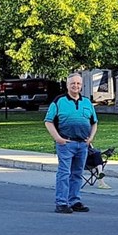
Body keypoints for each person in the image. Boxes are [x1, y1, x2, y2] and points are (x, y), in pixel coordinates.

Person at [43, 74, 96, 213]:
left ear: (82, 85)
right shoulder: (59, 101)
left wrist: (91, 138)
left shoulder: (87, 102)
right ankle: (61, 202)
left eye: (78, 83)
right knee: (64, 173)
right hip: (66, 143)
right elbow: (48, 121)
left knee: (77, 173)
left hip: (82, 144)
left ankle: (74, 201)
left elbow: (94, 122)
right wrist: (58, 138)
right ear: (67, 85)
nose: (76, 86)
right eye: (73, 83)